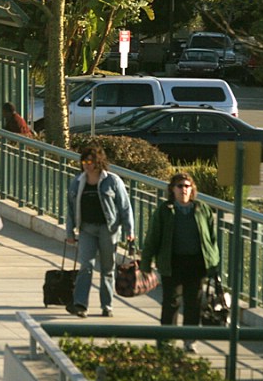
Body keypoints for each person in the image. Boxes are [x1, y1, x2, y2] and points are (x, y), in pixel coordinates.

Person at [140, 172, 219, 352]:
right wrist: (146, 263)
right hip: (172, 262)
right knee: (171, 303)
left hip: (196, 264)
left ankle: (190, 341)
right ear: (172, 190)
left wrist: (214, 264)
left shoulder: (202, 209)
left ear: (192, 189)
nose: (183, 189)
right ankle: (166, 341)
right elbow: (153, 238)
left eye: (187, 186)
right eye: (180, 186)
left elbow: (212, 240)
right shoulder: (165, 210)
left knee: (193, 303)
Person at [65, 145, 135, 317]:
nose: (87, 165)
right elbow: (70, 208)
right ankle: (80, 304)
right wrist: (70, 233)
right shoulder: (77, 182)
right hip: (87, 228)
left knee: (107, 268)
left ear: (99, 162)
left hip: (108, 229)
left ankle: (107, 305)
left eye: (91, 161)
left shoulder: (112, 181)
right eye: (84, 161)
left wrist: (129, 230)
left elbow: (125, 207)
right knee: (86, 266)